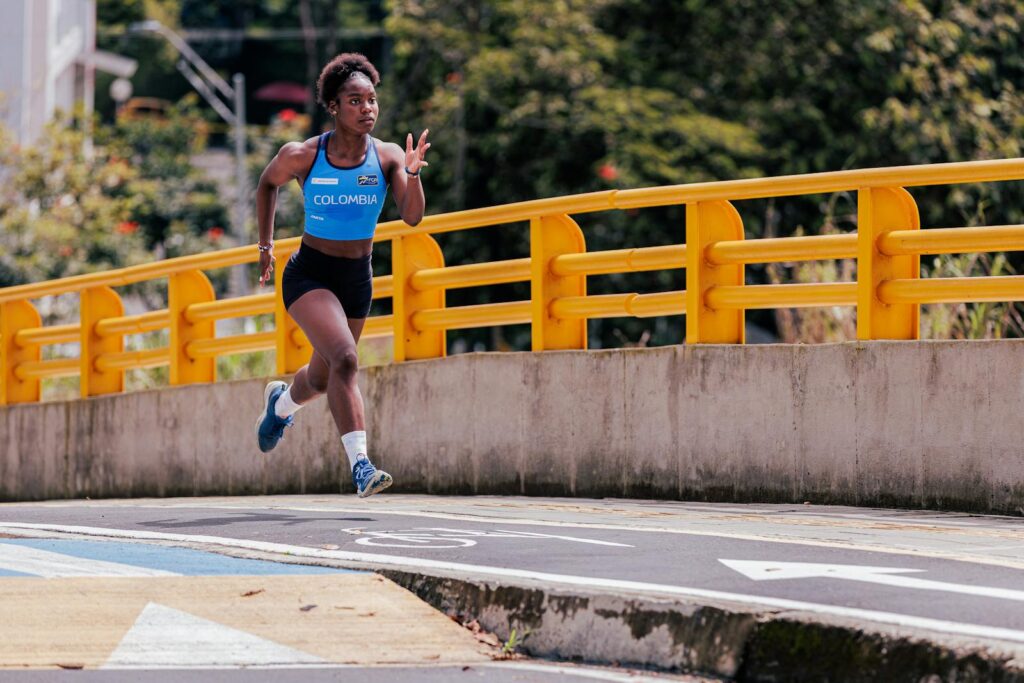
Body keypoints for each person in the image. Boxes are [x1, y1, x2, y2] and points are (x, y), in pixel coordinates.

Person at [253, 53, 430, 497]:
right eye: (355, 101)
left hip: (356, 279)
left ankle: (281, 404)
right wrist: (266, 245)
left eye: (371, 100)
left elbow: (412, 218)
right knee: (347, 360)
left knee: (322, 375)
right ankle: (362, 466)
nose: (367, 109)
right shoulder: (304, 155)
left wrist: (411, 174)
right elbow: (266, 184)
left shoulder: (387, 156)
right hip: (309, 275)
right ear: (333, 106)